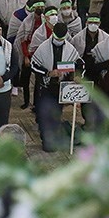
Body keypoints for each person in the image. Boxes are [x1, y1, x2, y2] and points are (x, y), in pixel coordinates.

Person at [31, 22, 79, 152]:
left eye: (61, 39)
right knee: (44, 114)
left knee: (56, 114)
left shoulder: (69, 48)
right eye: (57, 38)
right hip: (46, 86)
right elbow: (34, 65)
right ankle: (46, 139)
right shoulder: (43, 47)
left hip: (61, 87)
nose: (59, 41)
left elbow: (79, 63)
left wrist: (74, 76)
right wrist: (48, 73)